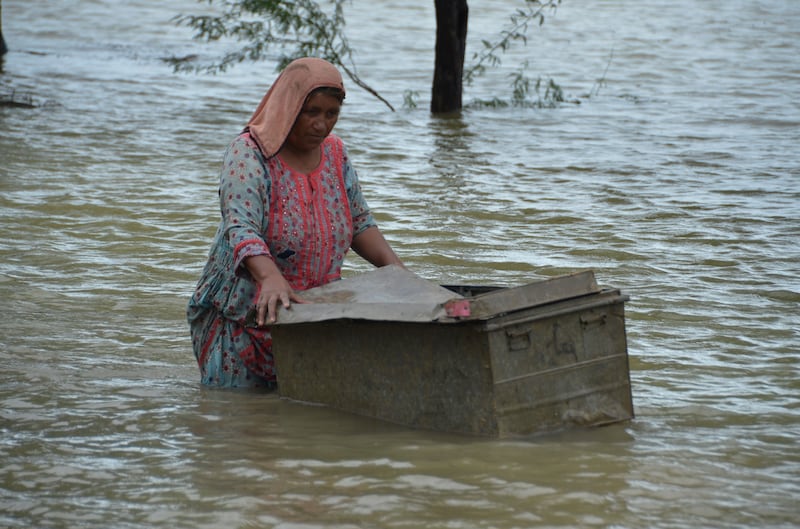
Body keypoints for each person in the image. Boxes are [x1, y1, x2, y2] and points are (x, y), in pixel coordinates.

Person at [187, 57, 403, 389]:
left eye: (332, 114)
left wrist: (398, 274)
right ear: (289, 106)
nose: (322, 125)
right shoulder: (249, 153)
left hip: (309, 320)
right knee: (238, 423)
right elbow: (241, 227)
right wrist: (270, 278)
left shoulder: (335, 153)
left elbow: (359, 221)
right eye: (312, 112)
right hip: (241, 318)